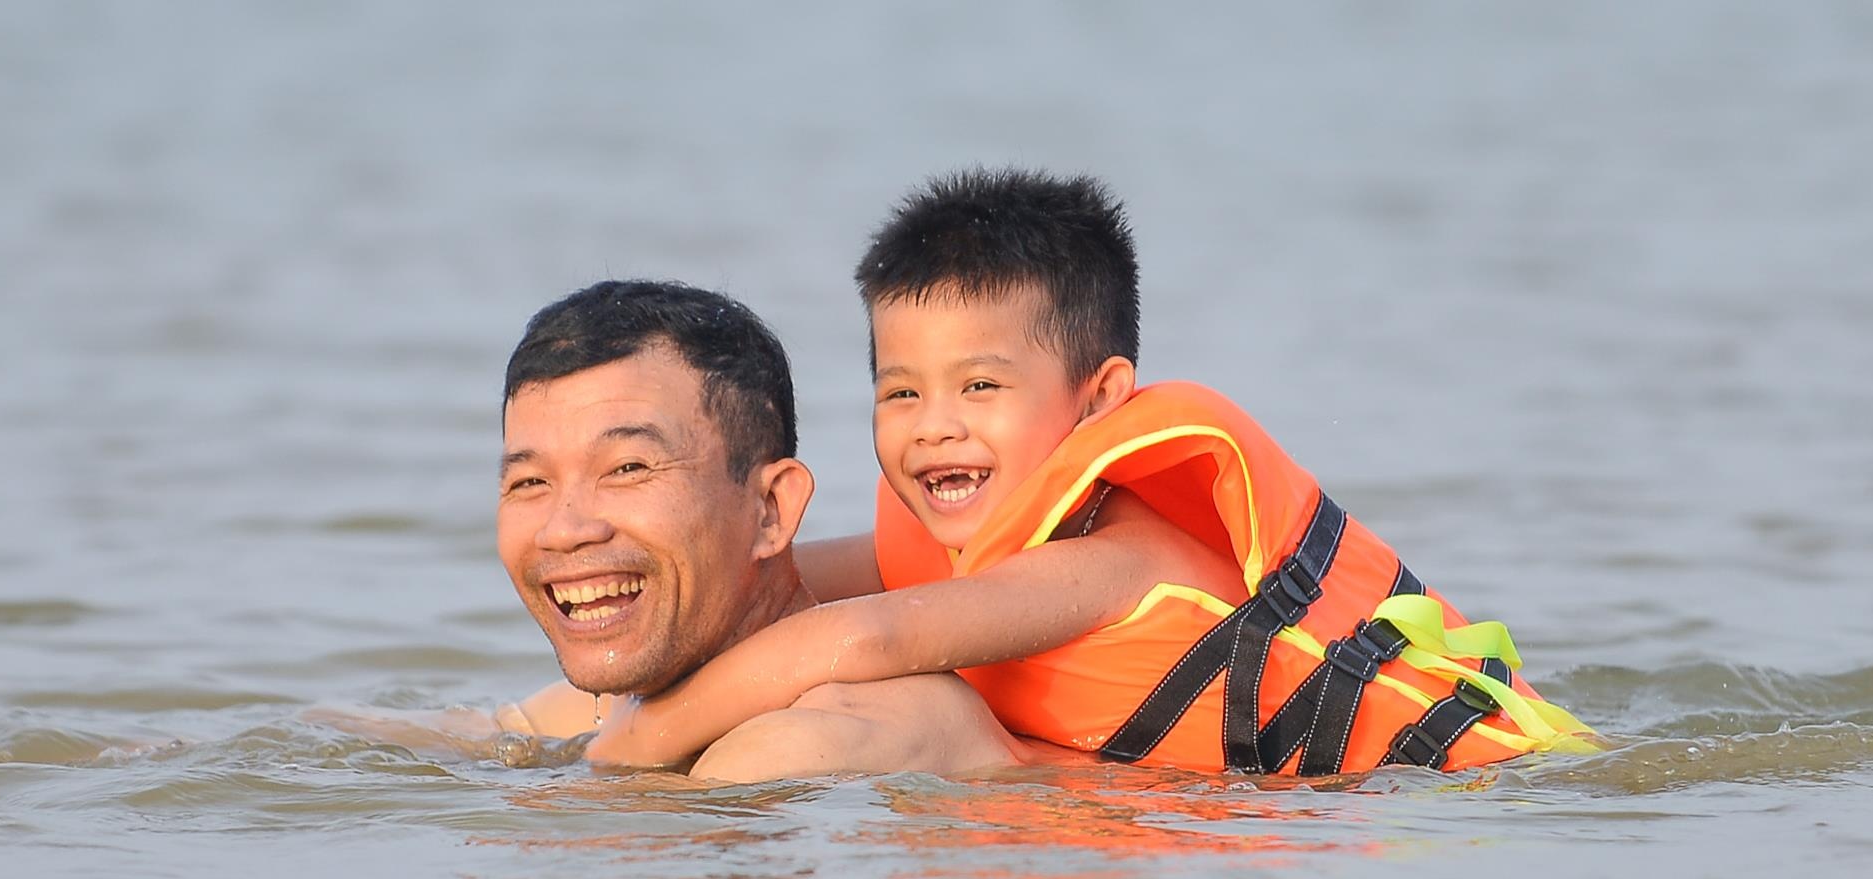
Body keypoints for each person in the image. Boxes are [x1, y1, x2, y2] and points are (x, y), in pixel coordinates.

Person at [591, 168, 1592, 775]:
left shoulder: (1112, 563)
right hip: (1209, 791)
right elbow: (776, 597)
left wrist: (622, 759)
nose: (933, 429)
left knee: (868, 710)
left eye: (980, 386)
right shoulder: (966, 539)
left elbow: (855, 634)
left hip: (1435, 795)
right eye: (900, 393)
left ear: (1101, 400)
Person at [392, 278, 1034, 781]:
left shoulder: (814, 739)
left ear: (770, 510)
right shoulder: (640, 699)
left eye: (627, 468)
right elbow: (380, 733)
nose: (564, 530)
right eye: (530, 482)